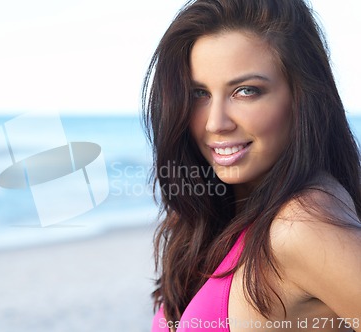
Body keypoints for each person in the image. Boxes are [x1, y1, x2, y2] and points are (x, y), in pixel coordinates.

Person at [141, 0, 361, 331]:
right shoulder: (224, 212)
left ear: (302, 97)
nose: (215, 123)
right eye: (199, 94)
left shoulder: (303, 225)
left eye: (246, 91)